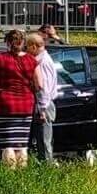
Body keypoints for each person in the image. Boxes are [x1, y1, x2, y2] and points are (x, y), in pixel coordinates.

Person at [0, 29, 38, 168]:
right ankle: (22, 174)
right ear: (23, 42)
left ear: (7, 42)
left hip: (5, 104)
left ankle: (9, 172)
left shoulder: (0, 58)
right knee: (22, 144)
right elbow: (39, 84)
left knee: (8, 144)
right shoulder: (31, 60)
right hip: (26, 104)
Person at [27, 32, 61, 162]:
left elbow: (43, 88)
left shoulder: (43, 63)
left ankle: (47, 167)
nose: (26, 50)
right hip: (43, 105)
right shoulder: (41, 60)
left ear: (34, 47)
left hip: (44, 106)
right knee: (41, 139)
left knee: (44, 139)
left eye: (27, 47)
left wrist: (42, 110)